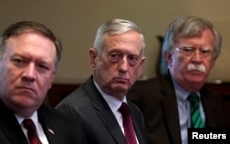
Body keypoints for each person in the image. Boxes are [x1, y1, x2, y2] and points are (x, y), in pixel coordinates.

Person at [0, 21, 86, 144]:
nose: (29, 75)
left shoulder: (68, 127)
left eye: (42, 66)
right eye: (19, 61)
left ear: (51, 78)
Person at [128, 16, 227, 144]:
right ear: (168, 56)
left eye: (205, 51)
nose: (197, 59)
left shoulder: (216, 102)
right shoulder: (140, 96)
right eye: (187, 50)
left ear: (213, 61)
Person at [56, 18, 147, 144]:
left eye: (132, 58)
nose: (124, 67)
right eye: (114, 56)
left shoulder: (135, 112)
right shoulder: (71, 113)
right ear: (93, 59)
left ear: (140, 66)